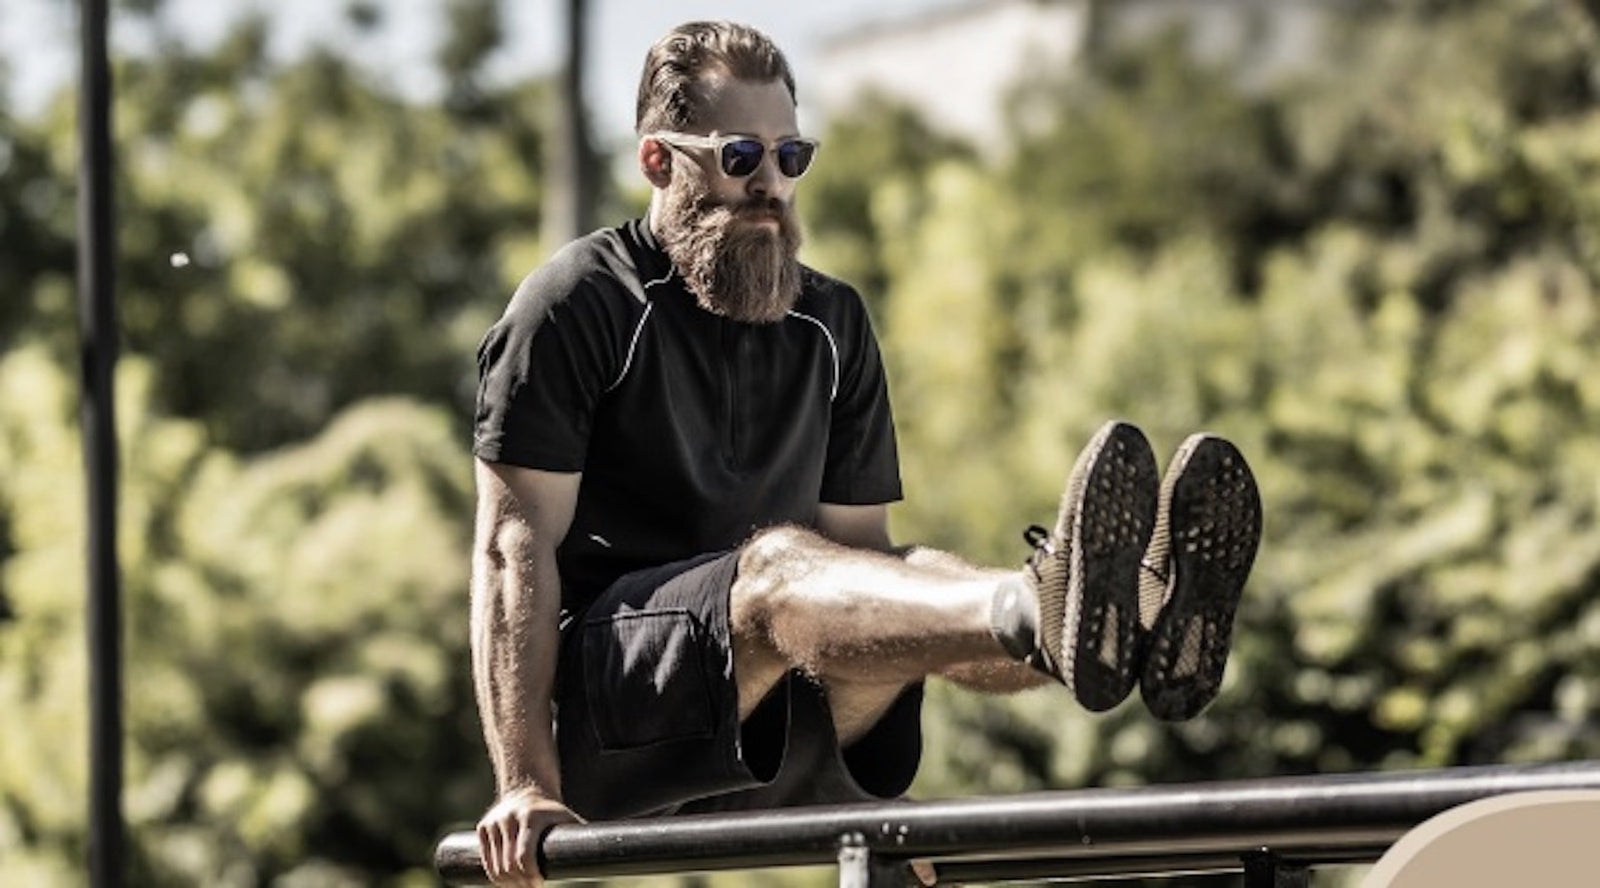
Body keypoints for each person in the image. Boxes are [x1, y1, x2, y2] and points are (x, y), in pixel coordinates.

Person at [469, 20, 1262, 887]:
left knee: (904, 572)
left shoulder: (832, 322)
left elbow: (864, 570)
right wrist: (524, 786)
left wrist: (858, 798)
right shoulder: (577, 302)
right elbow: (513, 550)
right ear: (659, 161)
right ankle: (1041, 606)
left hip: (772, 725)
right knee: (772, 569)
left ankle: (1121, 627)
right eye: (740, 156)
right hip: (606, 713)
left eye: (791, 156)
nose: (771, 184)